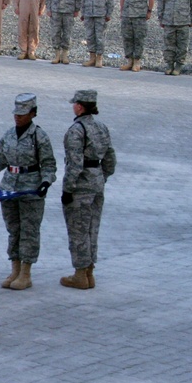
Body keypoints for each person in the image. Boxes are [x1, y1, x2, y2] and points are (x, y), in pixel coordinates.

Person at [0, 94, 56, 290]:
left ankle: (26, 272)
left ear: (33, 114)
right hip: (8, 188)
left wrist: (46, 182)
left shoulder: (39, 136)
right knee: (14, 229)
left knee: (29, 230)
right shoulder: (8, 135)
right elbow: (0, 162)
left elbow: (49, 164)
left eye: (23, 114)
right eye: (16, 113)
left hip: (31, 189)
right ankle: (14, 269)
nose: (18, 117)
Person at [60, 90, 116, 290]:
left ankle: (80, 275)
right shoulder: (101, 127)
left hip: (81, 186)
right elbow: (110, 158)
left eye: (74, 103)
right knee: (92, 228)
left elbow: (74, 164)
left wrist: (67, 189)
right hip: (97, 183)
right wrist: (101, 178)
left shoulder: (76, 130)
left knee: (78, 230)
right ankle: (90, 272)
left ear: (80, 106)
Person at [119, 0, 156, 72]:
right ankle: (129, 60)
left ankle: (137, 61)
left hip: (140, 14)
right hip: (127, 13)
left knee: (139, 38)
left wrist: (149, 10)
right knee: (127, 38)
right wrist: (121, 9)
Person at [81, 0, 113, 68]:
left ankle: (99, 58)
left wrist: (109, 13)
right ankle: (92, 57)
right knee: (90, 36)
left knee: (100, 37)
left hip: (100, 14)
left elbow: (110, 0)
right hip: (89, 14)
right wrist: (83, 12)